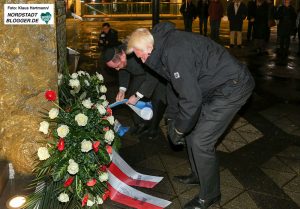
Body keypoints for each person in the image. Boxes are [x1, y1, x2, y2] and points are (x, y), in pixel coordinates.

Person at [126, 22, 255, 209]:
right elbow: (173, 86)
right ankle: (199, 174)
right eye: (139, 59)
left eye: (142, 57)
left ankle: (210, 195)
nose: (143, 61)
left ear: (149, 47)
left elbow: (191, 99)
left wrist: (179, 128)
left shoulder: (174, 51)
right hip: (213, 87)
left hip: (233, 87)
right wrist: (172, 117)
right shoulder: (162, 49)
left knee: (201, 140)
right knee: (192, 131)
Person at [103, 45, 167, 139]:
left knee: (158, 100)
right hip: (140, 75)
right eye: (114, 68)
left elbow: (152, 77)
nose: (117, 69)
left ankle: (153, 129)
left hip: (157, 74)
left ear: (123, 55)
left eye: (117, 66)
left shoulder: (139, 51)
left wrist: (138, 95)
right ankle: (141, 124)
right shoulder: (119, 54)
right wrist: (122, 89)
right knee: (130, 99)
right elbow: (123, 69)